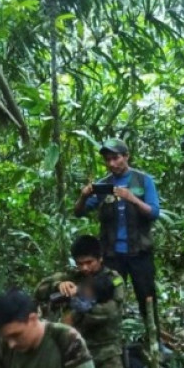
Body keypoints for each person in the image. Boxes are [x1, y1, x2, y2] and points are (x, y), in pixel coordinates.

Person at [73, 139, 162, 346]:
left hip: (140, 253)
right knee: (108, 298)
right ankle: (110, 342)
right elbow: (79, 212)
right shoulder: (104, 185)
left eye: (116, 158)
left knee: (146, 297)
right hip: (112, 255)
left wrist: (132, 198)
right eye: (108, 160)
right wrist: (84, 196)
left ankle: (154, 342)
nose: (112, 163)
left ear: (126, 156)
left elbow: (154, 212)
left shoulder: (142, 180)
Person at [35, 235, 127, 368]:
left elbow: (111, 311)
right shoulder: (72, 276)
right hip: (75, 352)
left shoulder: (113, 279)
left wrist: (77, 307)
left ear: (100, 258)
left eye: (89, 262)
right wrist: (58, 285)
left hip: (106, 352)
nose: (84, 268)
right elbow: (39, 290)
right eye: (80, 263)